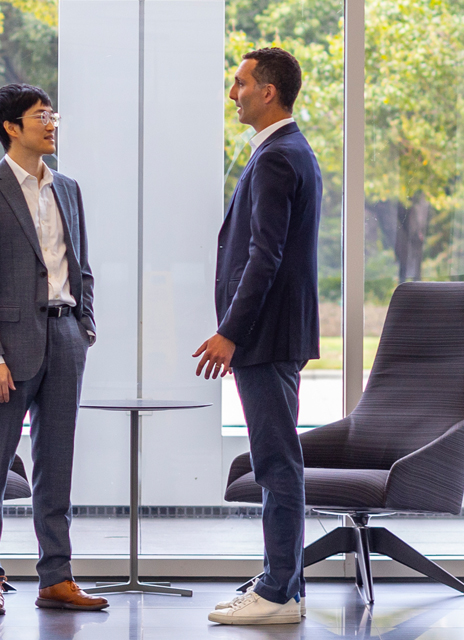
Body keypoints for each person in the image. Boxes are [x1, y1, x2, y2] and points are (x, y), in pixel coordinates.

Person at [0, 83, 109, 615]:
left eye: (53, 115)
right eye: (40, 116)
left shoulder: (68, 188)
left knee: (57, 463)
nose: (51, 124)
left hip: (66, 339)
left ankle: (56, 578)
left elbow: (80, 265)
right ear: (11, 127)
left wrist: (84, 326)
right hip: (8, 353)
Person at [194, 48, 322, 625]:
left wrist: (229, 333)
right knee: (276, 459)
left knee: (275, 462)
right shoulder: (288, 151)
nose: (232, 93)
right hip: (274, 334)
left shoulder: (276, 158)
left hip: (264, 336)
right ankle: (282, 587)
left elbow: (262, 258)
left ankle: (277, 595)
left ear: (268, 92)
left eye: (240, 82)